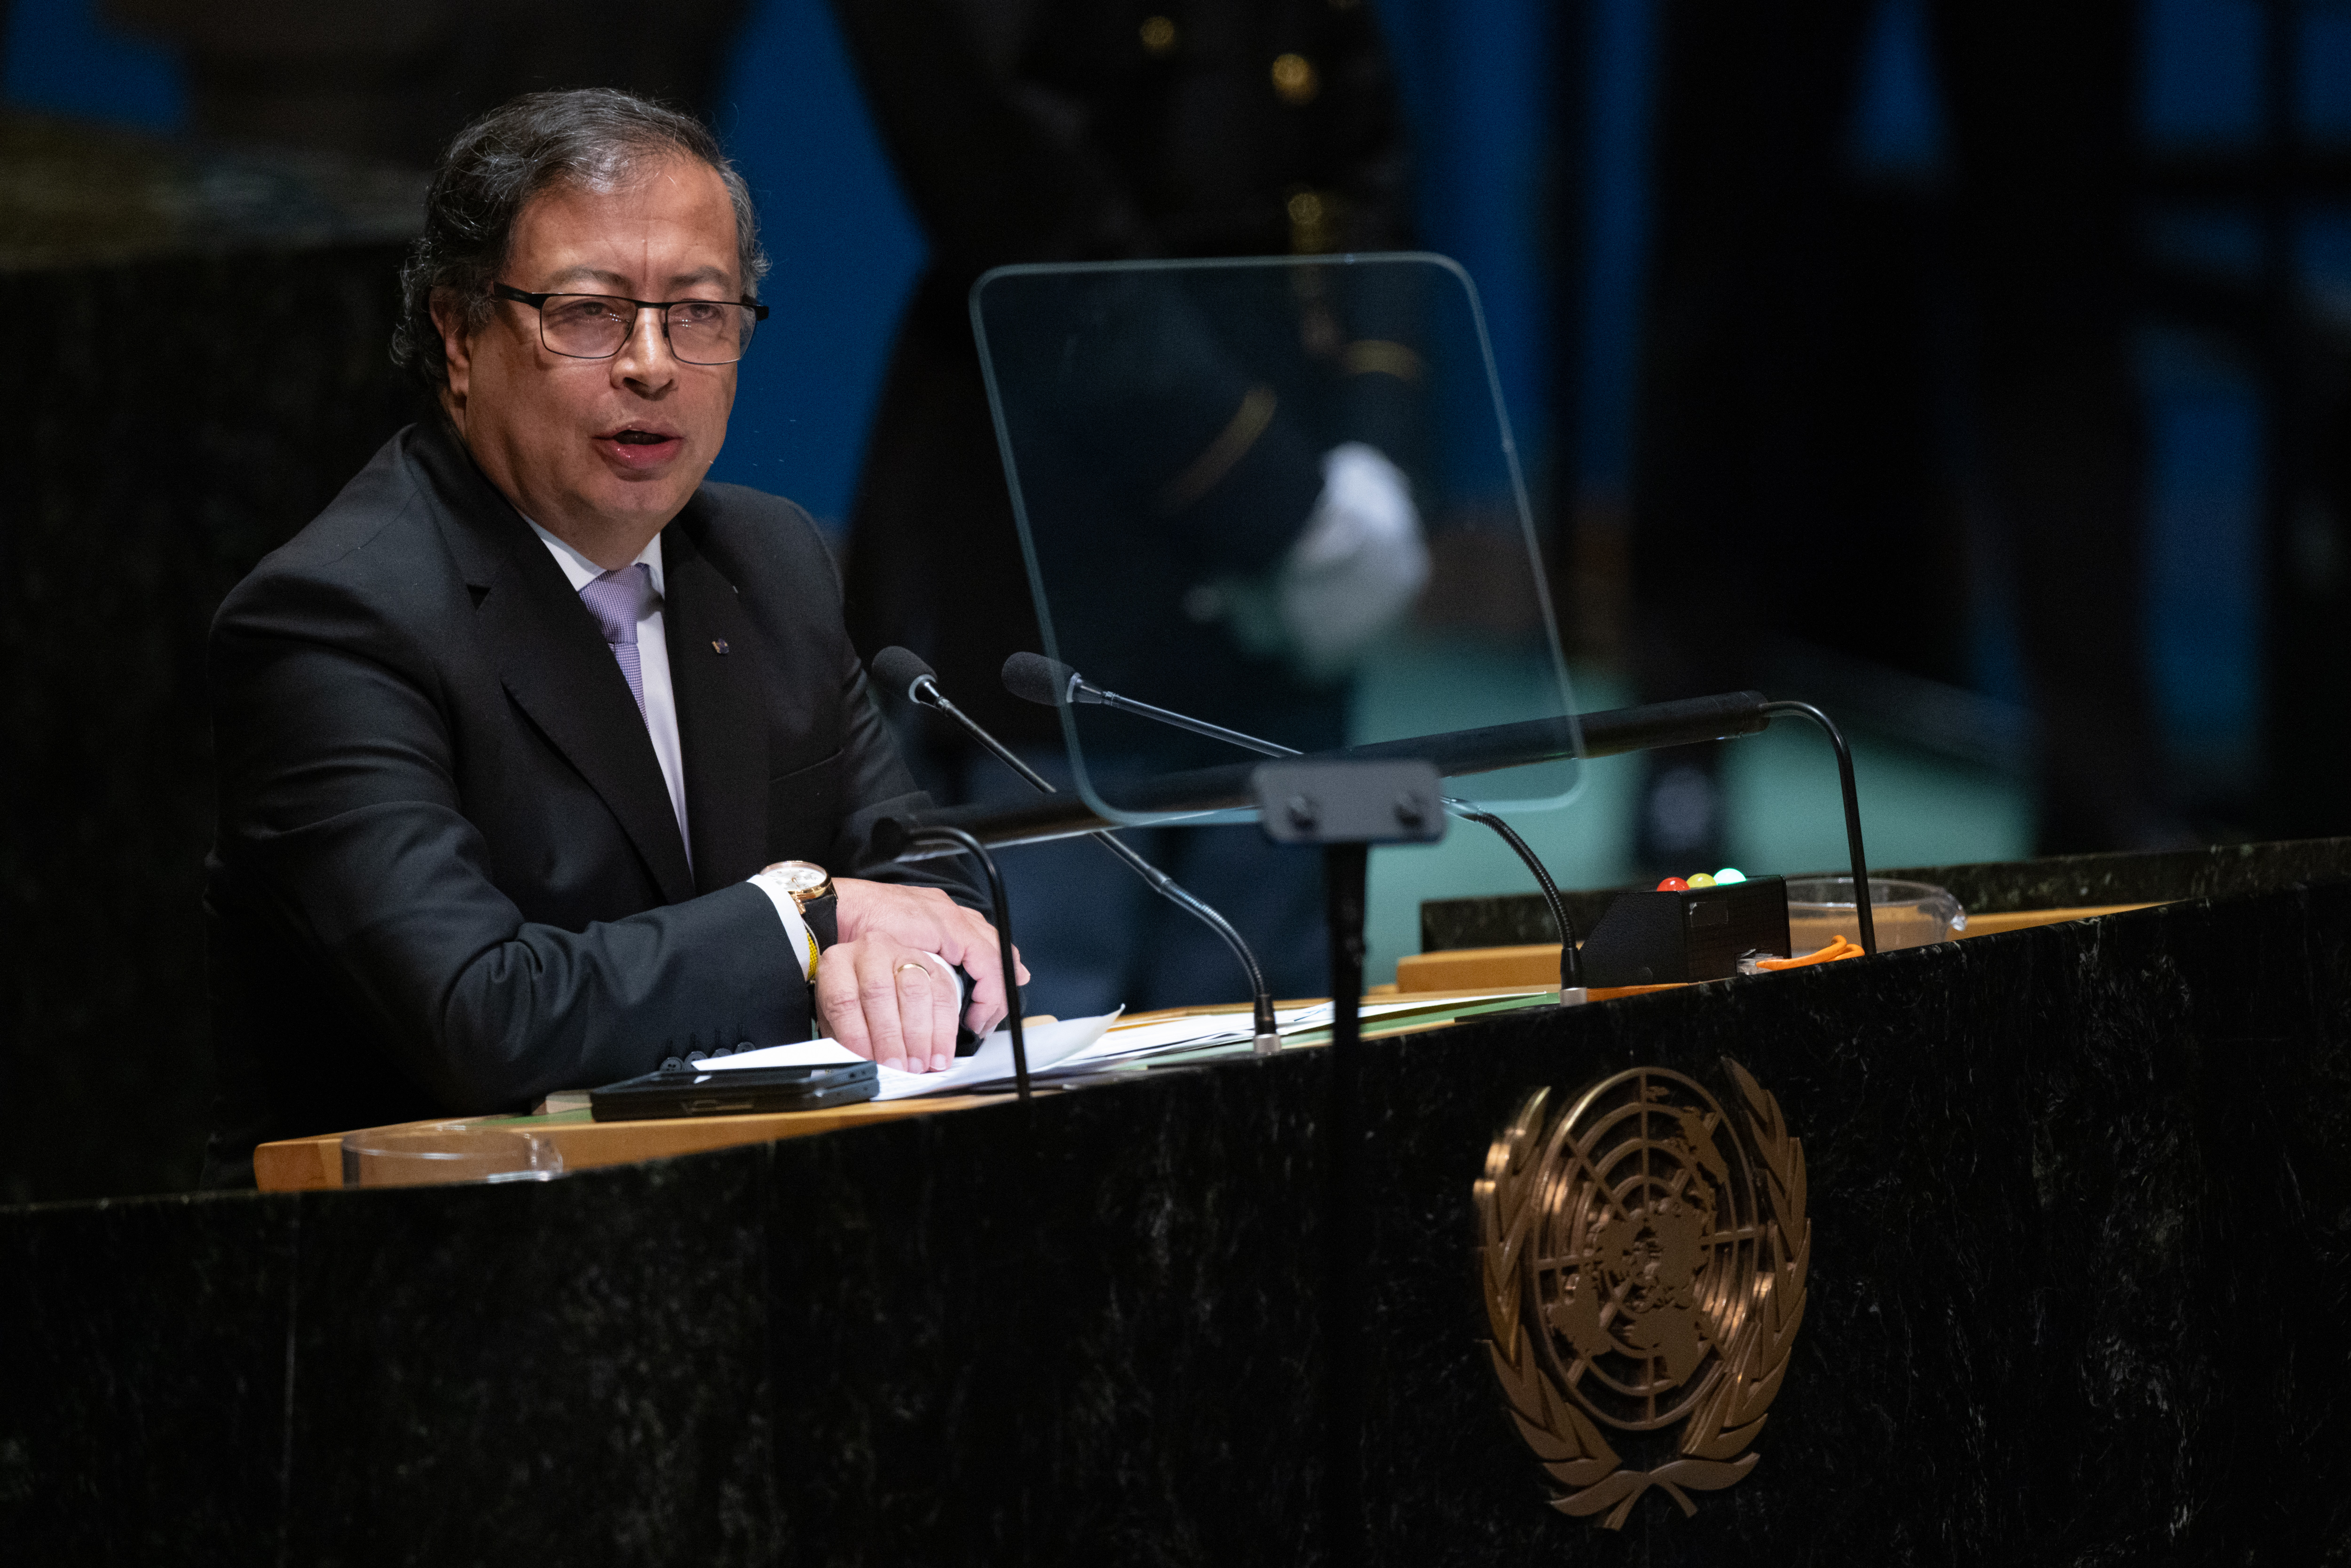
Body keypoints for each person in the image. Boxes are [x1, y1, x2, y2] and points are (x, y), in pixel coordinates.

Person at [199, 88, 1023, 1187]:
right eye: (588, 312)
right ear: (458, 334)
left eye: (700, 313)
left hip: (751, 1213)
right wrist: (806, 920)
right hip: (426, 1253)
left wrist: (909, 957)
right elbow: (479, 1017)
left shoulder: (768, 560)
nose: (652, 363)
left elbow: (918, 872)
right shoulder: (338, 619)